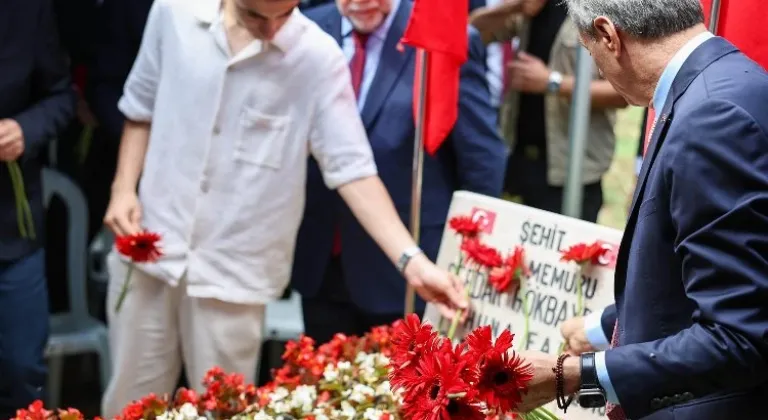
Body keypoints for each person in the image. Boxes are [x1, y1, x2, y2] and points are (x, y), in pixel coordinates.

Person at [100, 0, 467, 416]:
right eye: (259, 18)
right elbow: (140, 107)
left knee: (225, 409)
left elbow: (351, 169)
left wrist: (413, 262)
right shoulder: (174, 12)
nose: (272, 30)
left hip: (236, 270)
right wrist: (123, 188)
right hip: (150, 245)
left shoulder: (316, 56)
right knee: (128, 402)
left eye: (284, 16)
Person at [514, 1, 768, 419]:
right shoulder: (728, 81)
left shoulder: (711, 118)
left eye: (590, 54)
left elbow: (739, 334)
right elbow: (701, 274)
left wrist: (577, 375)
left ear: (609, 35)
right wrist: (603, 326)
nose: (600, 72)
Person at [292, 0, 506, 344]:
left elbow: (482, 160)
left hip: (409, 268)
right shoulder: (304, 29)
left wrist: (469, 254)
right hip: (322, 260)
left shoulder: (440, 37)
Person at [470, 0, 627, 223]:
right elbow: (471, 32)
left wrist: (552, 83)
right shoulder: (533, 5)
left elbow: (623, 93)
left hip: (571, 171)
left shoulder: (604, 8)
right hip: (517, 159)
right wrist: (514, 7)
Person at [0, 0, 76, 417]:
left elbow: (61, 97)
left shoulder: (27, 9)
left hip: (12, 227)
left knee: (22, 369)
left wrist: (25, 130)